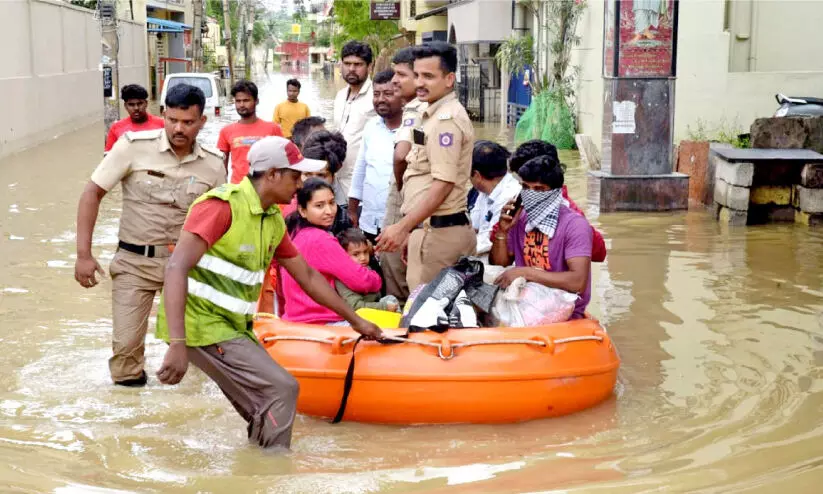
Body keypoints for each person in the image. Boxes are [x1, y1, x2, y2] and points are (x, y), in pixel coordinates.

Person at [154, 136, 382, 450]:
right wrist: (178, 344)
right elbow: (176, 268)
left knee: (261, 405)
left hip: (232, 326)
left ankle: (256, 471)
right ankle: (275, 468)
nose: (301, 183)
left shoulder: (272, 218)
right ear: (272, 174)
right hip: (199, 325)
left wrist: (355, 321)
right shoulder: (221, 206)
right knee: (282, 389)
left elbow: (309, 278)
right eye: (295, 175)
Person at [74, 84, 225, 387]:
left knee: (197, 356)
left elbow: (221, 223)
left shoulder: (213, 165)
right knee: (126, 354)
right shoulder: (132, 145)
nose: (179, 128)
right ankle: (131, 421)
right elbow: (92, 193)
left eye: (188, 122)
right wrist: (83, 255)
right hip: (134, 263)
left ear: (202, 122)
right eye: (172, 120)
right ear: (163, 115)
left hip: (189, 269)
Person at [377, 42, 476, 291]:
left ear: (449, 79)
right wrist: (413, 232)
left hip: (441, 233)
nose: (420, 83)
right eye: (418, 75)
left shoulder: (446, 120)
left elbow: (443, 184)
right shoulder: (430, 113)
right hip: (427, 230)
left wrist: (403, 227)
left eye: (429, 76)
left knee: (429, 319)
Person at [260, 131, 353, 316]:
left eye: (321, 175)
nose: (313, 181)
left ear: (334, 176)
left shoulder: (342, 216)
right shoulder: (285, 207)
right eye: (307, 174)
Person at [490, 155, 592, 320]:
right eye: (525, 187)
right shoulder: (521, 219)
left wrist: (526, 272)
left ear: (555, 192)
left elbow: (577, 282)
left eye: (538, 189)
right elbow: (500, 263)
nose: (530, 194)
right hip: (526, 299)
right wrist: (502, 232)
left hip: (563, 308)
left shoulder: (575, 225)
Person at [280, 179, 383, 325]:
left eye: (332, 203)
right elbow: (361, 281)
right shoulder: (320, 239)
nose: (329, 211)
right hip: (323, 320)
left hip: (298, 317)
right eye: (319, 206)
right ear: (303, 210)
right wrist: (376, 278)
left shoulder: (297, 234)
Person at [506, 139, 607, 262]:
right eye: (524, 184)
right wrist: (501, 231)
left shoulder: (571, 214)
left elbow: (599, 253)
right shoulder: (519, 203)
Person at [380, 47, 425, 301]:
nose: (394, 80)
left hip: (407, 197)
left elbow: (401, 156)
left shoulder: (414, 110)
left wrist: (401, 189)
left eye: (401, 74)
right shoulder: (429, 109)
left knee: (394, 260)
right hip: (419, 197)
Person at [348, 70, 404, 243]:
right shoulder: (371, 127)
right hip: (369, 221)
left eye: (388, 94)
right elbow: (360, 170)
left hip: (400, 223)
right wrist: (352, 210)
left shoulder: (413, 129)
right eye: (376, 94)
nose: (380, 99)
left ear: (402, 96)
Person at [333, 40, 376, 209]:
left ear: (369, 66)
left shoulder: (378, 96)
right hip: (337, 182)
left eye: (357, 64)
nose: (351, 69)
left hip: (364, 187)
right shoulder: (340, 96)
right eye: (347, 63)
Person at [217, 80, 283, 183]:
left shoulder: (273, 129)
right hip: (237, 191)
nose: (241, 105)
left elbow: (282, 163)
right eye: (238, 101)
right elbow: (221, 169)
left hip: (265, 191)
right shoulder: (226, 131)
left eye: (246, 100)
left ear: (256, 101)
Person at [469, 140, 521, 256]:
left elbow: (490, 241)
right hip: (482, 247)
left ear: (477, 175)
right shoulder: (483, 192)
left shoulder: (510, 196)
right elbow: (474, 227)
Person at [335, 228, 400, 312]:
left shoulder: (366, 268)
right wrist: (384, 307)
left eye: (365, 252)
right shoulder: (341, 278)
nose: (363, 258)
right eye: (356, 254)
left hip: (371, 308)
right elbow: (355, 306)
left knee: (391, 299)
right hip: (358, 316)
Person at [104, 84, 164, 152]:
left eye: (140, 103)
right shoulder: (116, 128)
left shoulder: (162, 124)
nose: (136, 108)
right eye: (131, 105)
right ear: (125, 106)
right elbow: (109, 157)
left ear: (146, 103)